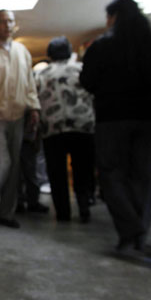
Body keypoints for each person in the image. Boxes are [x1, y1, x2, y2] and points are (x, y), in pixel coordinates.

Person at [80, 0, 151, 253]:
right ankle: (138, 236)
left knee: (111, 175)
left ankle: (131, 230)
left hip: (111, 119)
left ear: (114, 17)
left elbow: (87, 81)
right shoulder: (149, 42)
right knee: (142, 177)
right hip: (146, 120)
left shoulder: (102, 47)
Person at [0, 10, 41, 228]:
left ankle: (6, 212)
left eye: (10, 21)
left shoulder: (23, 51)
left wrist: (34, 108)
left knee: (14, 168)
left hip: (18, 116)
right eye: (2, 21)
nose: (7, 25)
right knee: (0, 164)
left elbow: (29, 82)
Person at [36, 36, 96, 223]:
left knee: (56, 172)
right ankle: (84, 206)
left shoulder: (41, 74)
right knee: (82, 169)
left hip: (53, 128)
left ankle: (63, 213)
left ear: (49, 54)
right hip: (82, 125)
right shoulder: (82, 70)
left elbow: (35, 100)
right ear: (69, 52)